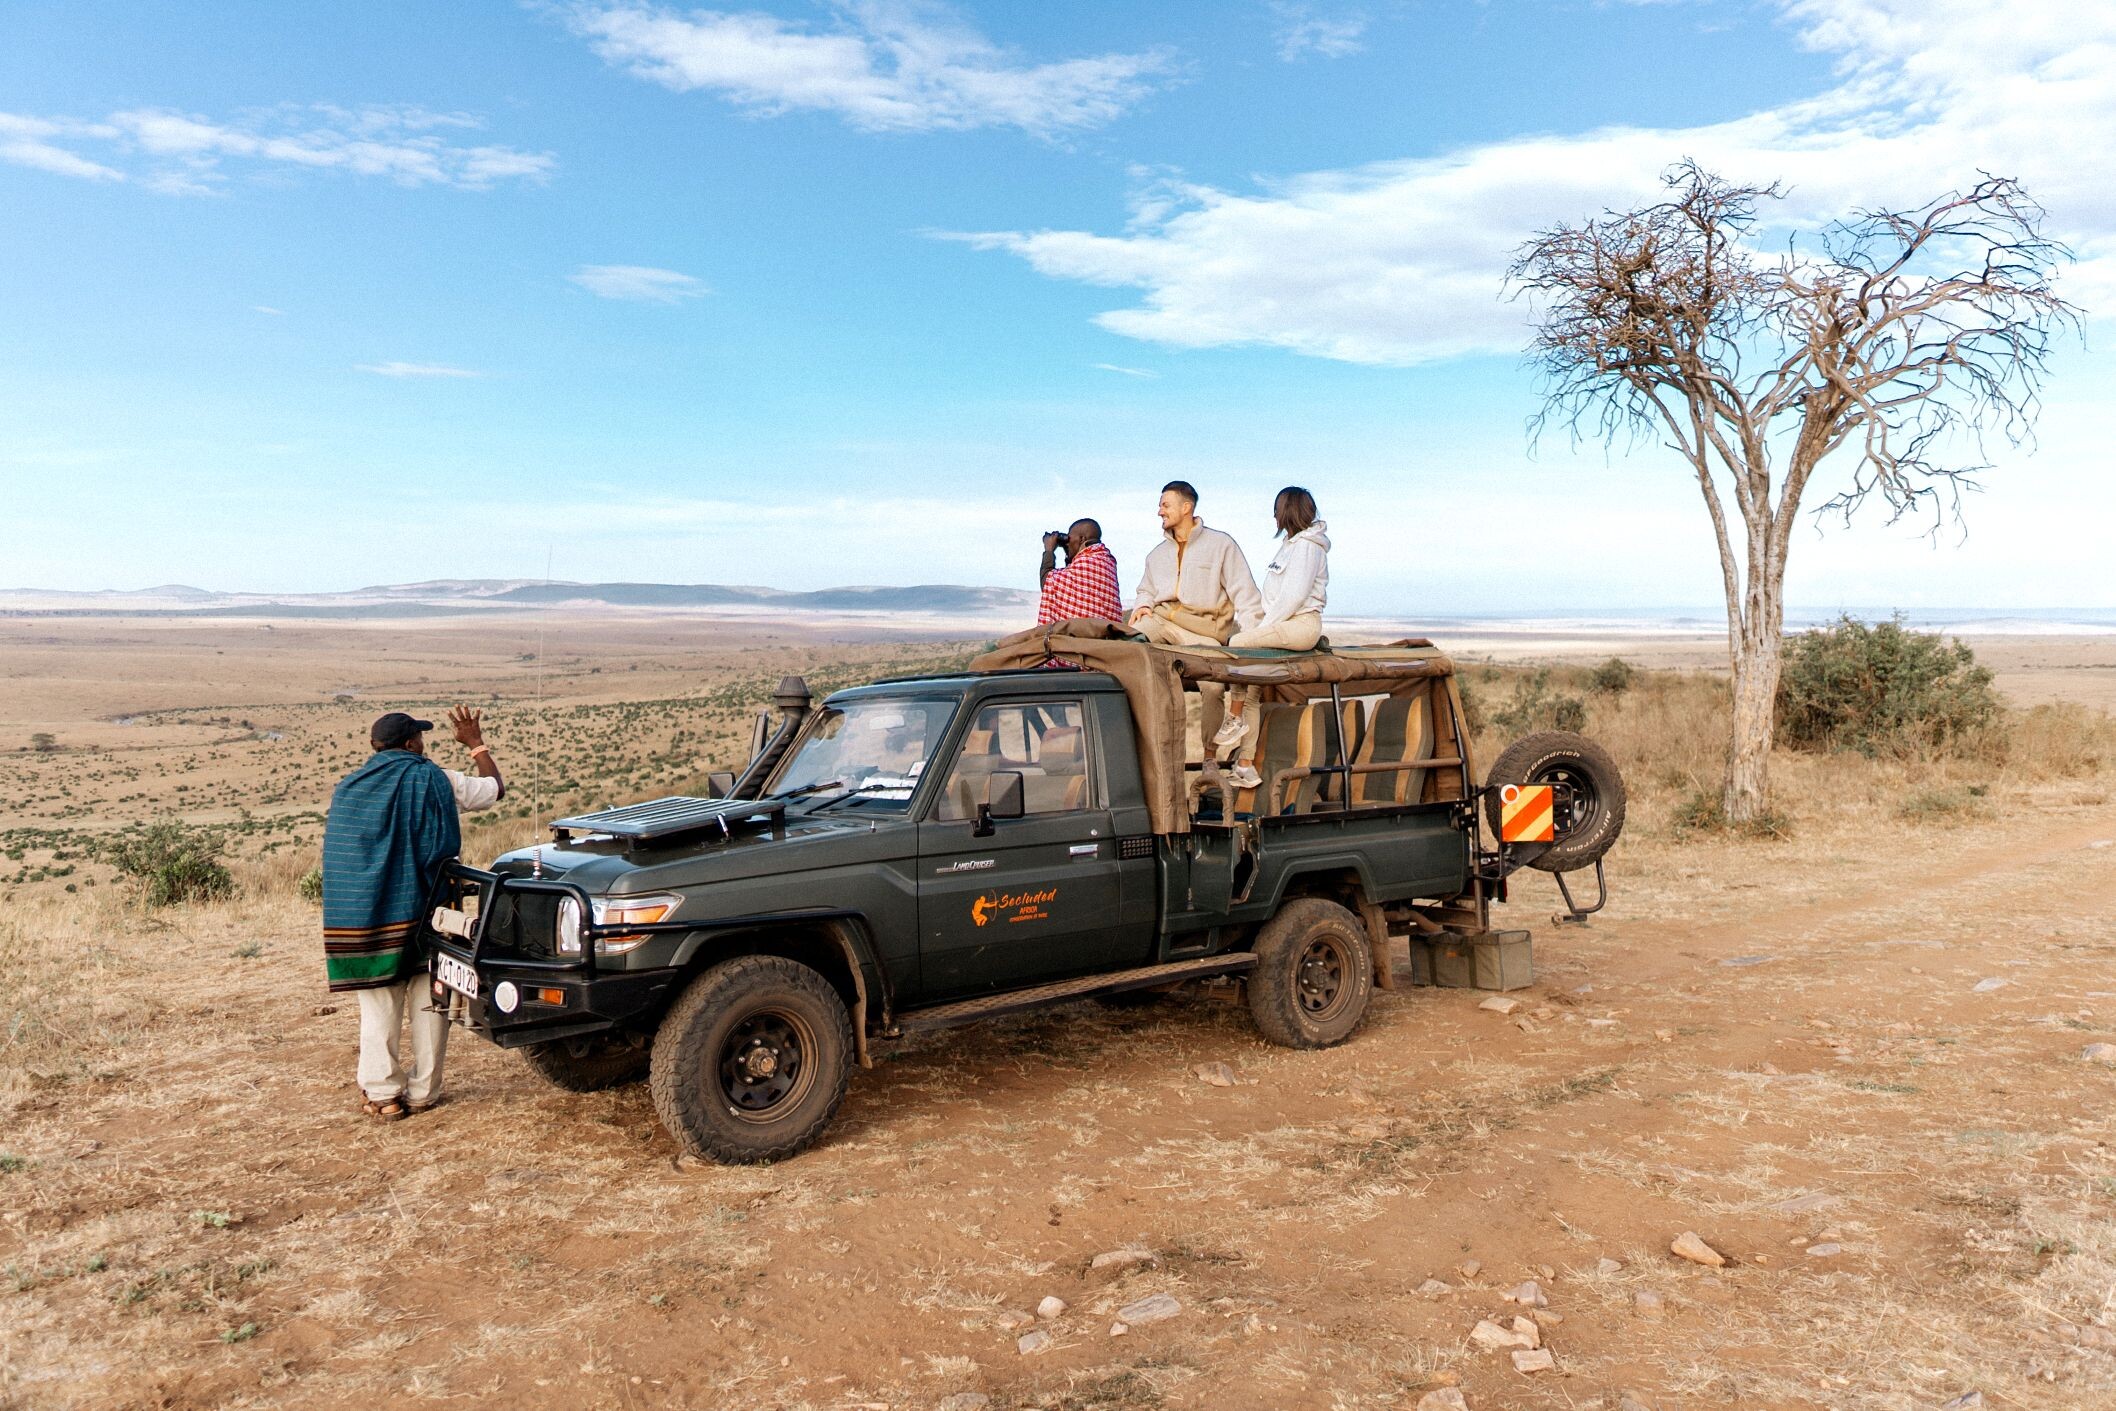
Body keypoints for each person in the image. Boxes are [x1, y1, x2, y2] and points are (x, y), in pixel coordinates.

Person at [322, 706, 504, 1122]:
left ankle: (384, 1094)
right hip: (428, 909)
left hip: (372, 915)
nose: (424, 744)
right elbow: (493, 789)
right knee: (430, 999)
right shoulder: (435, 778)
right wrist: (475, 744)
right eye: (420, 738)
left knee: (379, 1005)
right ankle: (424, 1091)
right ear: (410, 744)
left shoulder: (349, 788)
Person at [1127, 480, 1263, 754]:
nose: (1159, 511)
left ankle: (1209, 758)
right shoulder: (1156, 555)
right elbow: (1146, 590)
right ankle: (1138, 746)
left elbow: (1245, 594)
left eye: (1165, 505)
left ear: (1186, 507)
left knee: (1213, 688)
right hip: (1162, 622)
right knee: (1130, 643)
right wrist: (1142, 605)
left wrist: (1253, 639)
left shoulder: (1221, 545)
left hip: (1204, 634)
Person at [1216, 487, 1330, 789]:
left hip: (1300, 624)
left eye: (1277, 508)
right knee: (1251, 689)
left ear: (1288, 510)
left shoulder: (1308, 546)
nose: (1274, 514)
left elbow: (1293, 597)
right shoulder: (1289, 546)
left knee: (1238, 644)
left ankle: (1234, 716)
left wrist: (1260, 631)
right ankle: (1245, 766)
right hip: (1283, 622)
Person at [1035, 518, 1123, 628]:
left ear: (1082, 539)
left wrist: (1049, 551)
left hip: (1081, 632)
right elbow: (1071, 580)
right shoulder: (1106, 561)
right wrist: (1068, 550)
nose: (1068, 543)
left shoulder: (1087, 562)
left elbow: (1047, 581)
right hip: (1105, 631)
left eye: (1069, 539)